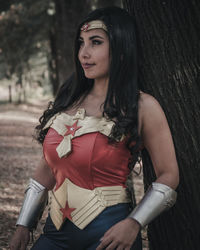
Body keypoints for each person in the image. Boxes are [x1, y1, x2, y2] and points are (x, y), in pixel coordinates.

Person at [10, 6, 179, 250]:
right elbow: (44, 173)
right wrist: (23, 226)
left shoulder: (142, 105)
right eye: (81, 43)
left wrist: (133, 223)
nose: (84, 53)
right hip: (54, 235)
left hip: (110, 238)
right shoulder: (67, 100)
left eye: (96, 42)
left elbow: (169, 175)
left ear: (121, 47)